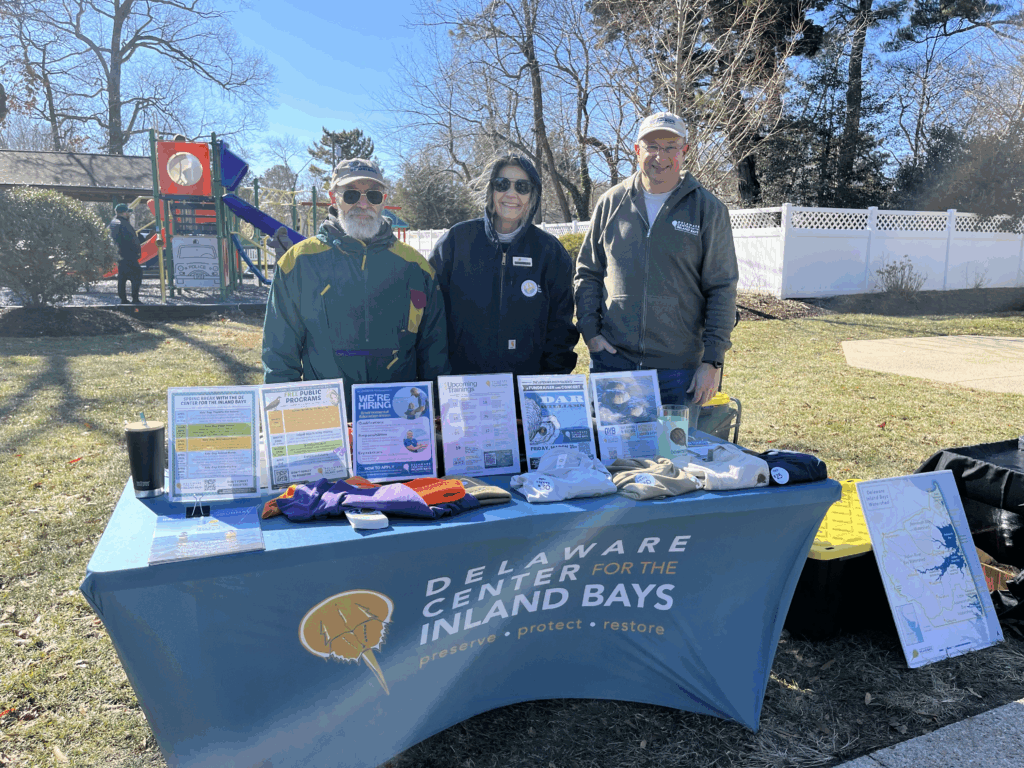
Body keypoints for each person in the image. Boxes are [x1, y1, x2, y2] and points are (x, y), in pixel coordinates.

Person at [574, 112, 738, 406]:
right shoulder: (611, 203)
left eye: (670, 147)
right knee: (613, 453)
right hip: (614, 362)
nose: (660, 156)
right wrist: (592, 335)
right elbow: (588, 273)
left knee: (674, 452)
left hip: (680, 371)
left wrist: (712, 361)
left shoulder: (708, 209)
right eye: (652, 146)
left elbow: (722, 287)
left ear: (684, 151)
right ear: (637, 151)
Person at [261, 158, 449, 410]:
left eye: (372, 195)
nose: (363, 204)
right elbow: (279, 353)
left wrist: (438, 413)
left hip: (397, 422)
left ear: (383, 198)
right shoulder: (298, 263)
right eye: (351, 194)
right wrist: (283, 418)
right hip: (328, 419)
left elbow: (434, 351)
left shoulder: (416, 268)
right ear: (333, 197)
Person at [427, 154, 578, 376]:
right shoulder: (456, 242)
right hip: (464, 390)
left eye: (522, 187)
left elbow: (560, 331)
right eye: (502, 184)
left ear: (532, 195)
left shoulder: (550, 252)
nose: (511, 194)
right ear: (491, 190)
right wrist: (440, 380)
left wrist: (547, 386)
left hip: (526, 391)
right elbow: (431, 319)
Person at [109, 203, 143, 304]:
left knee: (122, 277)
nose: (129, 214)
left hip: (119, 255)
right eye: (128, 212)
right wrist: (137, 251)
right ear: (124, 213)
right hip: (129, 255)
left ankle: (123, 299)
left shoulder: (113, 223)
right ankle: (135, 299)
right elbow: (132, 240)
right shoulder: (125, 224)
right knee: (137, 275)